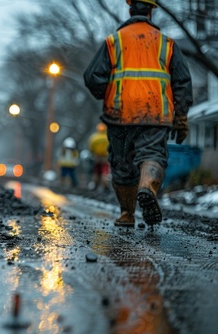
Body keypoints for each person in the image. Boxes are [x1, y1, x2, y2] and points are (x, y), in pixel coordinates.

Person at [84, 0, 193, 227]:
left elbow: (92, 77)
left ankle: (127, 214)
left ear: (130, 8)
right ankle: (146, 188)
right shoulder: (166, 44)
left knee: (122, 164)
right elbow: (182, 82)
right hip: (155, 114)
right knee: (152, 154)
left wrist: (108, 94)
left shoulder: (113, 42)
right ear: (152, 10)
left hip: (119, 114)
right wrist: (181, 117)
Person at [88, 123, 110, 192]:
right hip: (105, 158)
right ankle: (106, 187)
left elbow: (91, 147)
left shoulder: (94, 137)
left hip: (97, 157)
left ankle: (95, 186)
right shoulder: (108, 137)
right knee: (105, 172)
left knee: (96, 172)